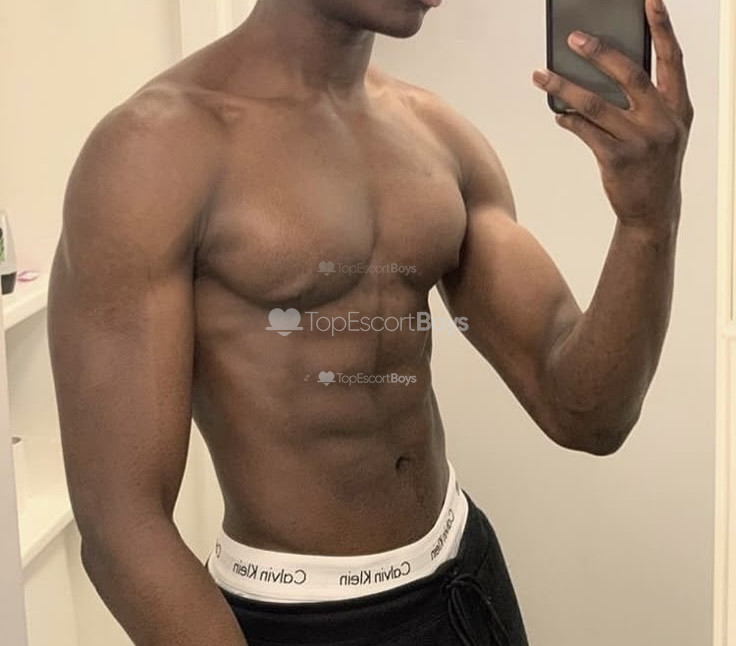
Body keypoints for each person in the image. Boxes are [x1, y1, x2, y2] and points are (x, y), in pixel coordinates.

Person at [47, 0, 693, 644]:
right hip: (302, 617)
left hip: (466, 577)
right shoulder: (151, 153)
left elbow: (586, 414)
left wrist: (648, 220)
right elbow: (120, 525)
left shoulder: (436, 134)